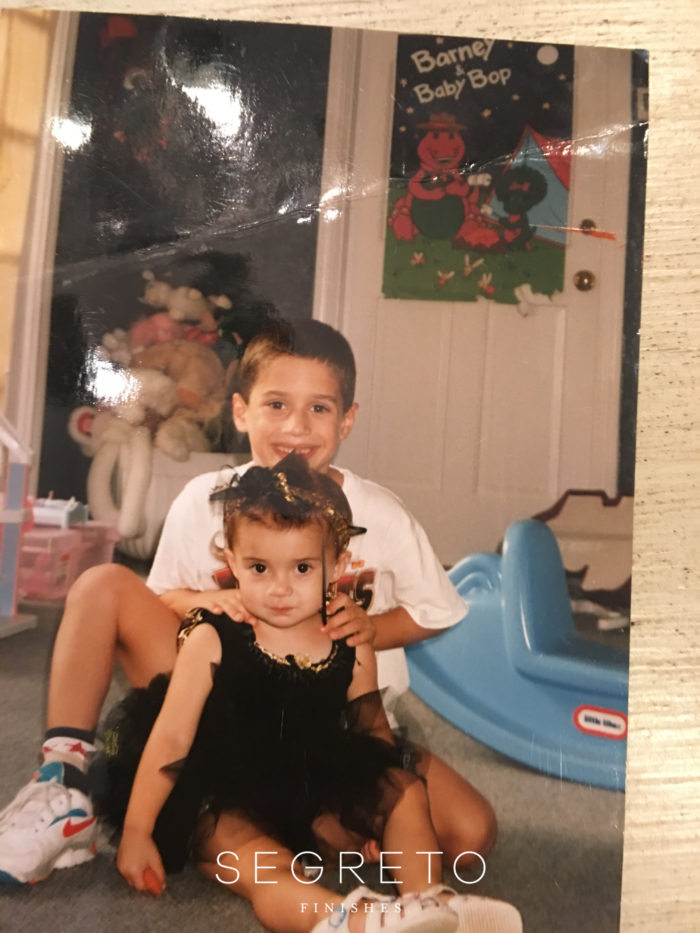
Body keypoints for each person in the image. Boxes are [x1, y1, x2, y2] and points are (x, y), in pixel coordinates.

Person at [0, 319, 495, 896]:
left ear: (347, 419)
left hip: (335, 723)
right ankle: (64, 781)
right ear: (240, 411)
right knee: (101, 584)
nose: (296, 426)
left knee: (470, 835)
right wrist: (204, 600)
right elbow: (159, 600)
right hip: (224, 713)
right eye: (277, 405)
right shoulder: (204, 501)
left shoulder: (380, 514)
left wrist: (367, 627)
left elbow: (433, 612)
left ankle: (306, 821)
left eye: (318, 409)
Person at [98, 454, 477, 933]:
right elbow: (170, 738)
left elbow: (372, 733)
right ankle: (351, 921)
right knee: (267, 868)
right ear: (231, 563)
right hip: (223, 791)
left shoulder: (349, 638)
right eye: (259, 567)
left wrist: (375, 811)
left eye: (301, 568)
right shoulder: (213, 638)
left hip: (314, 783)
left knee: (406, 791)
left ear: (338, 567)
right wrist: (136, 831)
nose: (280, 588)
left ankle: (429, 901)